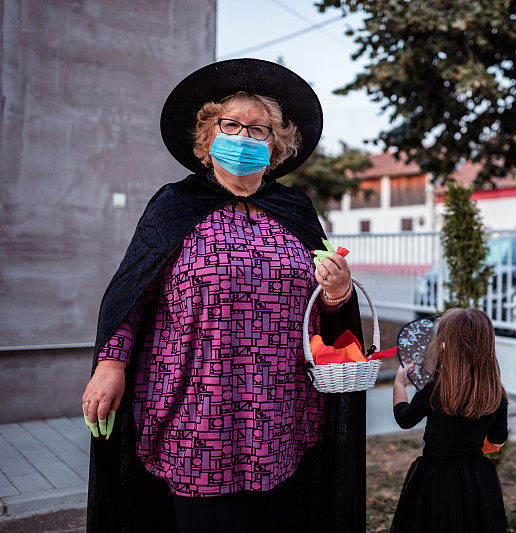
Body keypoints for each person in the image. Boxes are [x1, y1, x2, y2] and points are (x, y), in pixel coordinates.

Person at [81, 59, 366, 532]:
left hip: (280, 415)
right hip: (196, 414)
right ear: (208, 138)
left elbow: (324, 314)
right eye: (231, 124)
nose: (244, 137)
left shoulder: (295, 210)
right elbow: (131, 296)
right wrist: (110, 366)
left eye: (259, 130)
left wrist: (338, 294)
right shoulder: (173, 206)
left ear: (274, 146)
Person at [391, 308, 509, 533]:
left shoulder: (435, 390)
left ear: (444, 346)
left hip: (435, 481)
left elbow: (404, 419)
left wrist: (399, 385)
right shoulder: (496, 393)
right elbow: (498, 441)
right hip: (476, 481)